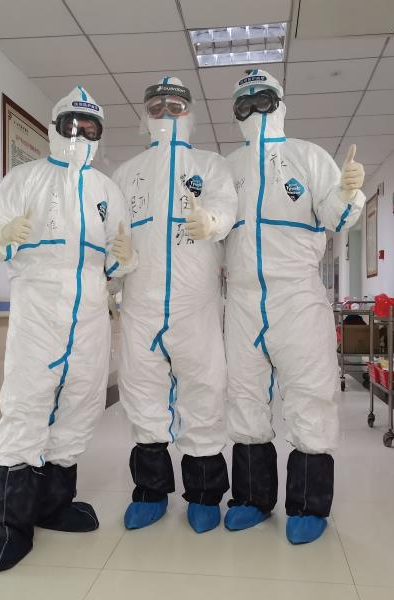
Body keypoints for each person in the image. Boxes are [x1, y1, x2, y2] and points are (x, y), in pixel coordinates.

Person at [0, 87, 137, 572]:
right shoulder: (23, 179)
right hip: (38, 307)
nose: (79, 133)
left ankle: (54, 504)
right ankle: (8, 527)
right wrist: (2, 235)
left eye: (90, 127)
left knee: (81, 403)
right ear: (54, 126)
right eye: (71, 124)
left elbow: (118, 255)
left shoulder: (107, 190)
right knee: (26, 404)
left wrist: (124, 259)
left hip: (91, 311)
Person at [222, 69, 365, 544]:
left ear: (279, 104)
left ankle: (308, 506)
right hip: (242, 299)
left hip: (297, 296)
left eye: (262, 99)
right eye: (243, 103)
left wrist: (348, 192)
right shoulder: (228, 166)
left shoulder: (308, 157)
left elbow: (336, 215)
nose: (253, 110)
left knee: (309, 394)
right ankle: (250, 499)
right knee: (244, 396)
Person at [111, 77, 238, 533]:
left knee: (203, 392)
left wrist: (212, 220)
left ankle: (204, 496)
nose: (166, 112)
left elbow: (226, 207)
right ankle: (149, 493)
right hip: (141, 303)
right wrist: (116, 260)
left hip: (194, 304)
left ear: (190, 112)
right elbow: (110, 235)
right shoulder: (126, 174)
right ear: (145, 114)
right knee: (142, 394)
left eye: (175, 105)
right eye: (157, 106)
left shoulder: (211, 165)